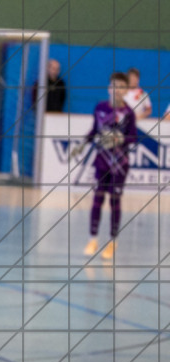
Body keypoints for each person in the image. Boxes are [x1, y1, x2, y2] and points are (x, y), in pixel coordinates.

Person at [82, 72, 137, 260]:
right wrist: (84, 142)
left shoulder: (128, 113)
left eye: (122, 87)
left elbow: (133, 137)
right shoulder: (100, 108)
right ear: (109, 88)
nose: (117, 90)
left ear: (126, 91)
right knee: (98, 197)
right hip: (102, 160)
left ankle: (112, 241)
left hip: (119, 164)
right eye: (114, 86)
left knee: (115, 200)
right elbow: (95, 130)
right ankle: (92, 239)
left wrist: (119, 138)